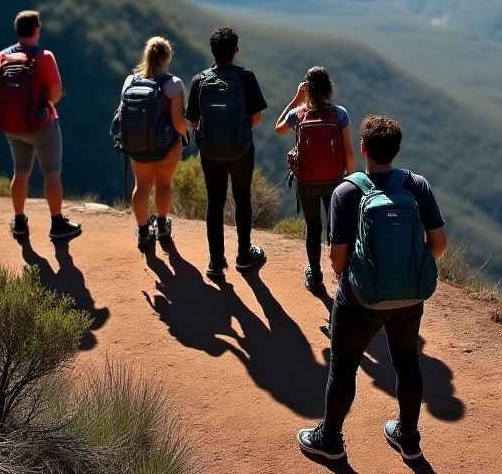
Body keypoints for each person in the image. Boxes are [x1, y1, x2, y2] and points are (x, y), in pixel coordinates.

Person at [297, 114, 447, 466]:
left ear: (363, 148)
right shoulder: (417, 185)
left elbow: (336, 259)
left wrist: (353, 276)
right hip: (410, 296)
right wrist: (409, 267)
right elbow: (438, 243)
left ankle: (329, 440)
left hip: (360, 299)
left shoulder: (347, 191)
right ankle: (408, 438)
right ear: (397, 150)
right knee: (407, 361)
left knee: (343, 367)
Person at [0, 9, 81, 242]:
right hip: (42, 126)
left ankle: (19, 221)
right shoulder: (44, 56)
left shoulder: (3, 55)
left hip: (12, 126)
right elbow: (56, 92)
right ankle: (57, 223)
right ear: (37, 29)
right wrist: (43, 104)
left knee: (20, 171)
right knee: (51, 173)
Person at [184, 26, 268, 277]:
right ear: (236, 51)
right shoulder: (246, 76)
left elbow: (194, 122)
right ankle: (243, 255)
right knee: (242, 198)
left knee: (215, 203)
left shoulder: (200, 79)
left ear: (212, 51)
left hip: (210, 153)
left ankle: (216, 262)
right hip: (241, 150)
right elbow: (256, 119)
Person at [275, 66, 355, 293]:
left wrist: (295, 99)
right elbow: (348, 152)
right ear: (329, 87)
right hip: (335, 183)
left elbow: (279, 128)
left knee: (313, 228)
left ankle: (316, 277)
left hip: (307, 183)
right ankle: (343, 275)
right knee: (336, 228)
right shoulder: (340, 114)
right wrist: (352, 180)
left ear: (307, 89)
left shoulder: (298, 114)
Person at [120, 36, 188, 251]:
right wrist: (186, 134)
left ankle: (142, 232)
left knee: (141, 186)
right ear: (167, 57)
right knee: (164, 184)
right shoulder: (173, 84)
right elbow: (178, 122)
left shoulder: (130, 81)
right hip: (165, 146)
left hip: (136, 145)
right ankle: (161, 226)